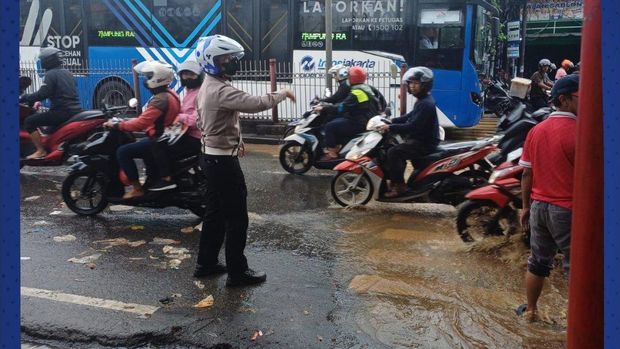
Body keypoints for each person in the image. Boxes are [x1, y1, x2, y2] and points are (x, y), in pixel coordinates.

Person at [193, 35, 295, 286]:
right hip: (221, 164)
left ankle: (205, 264)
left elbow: (210, 123)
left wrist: (235, 142)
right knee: (237, 218)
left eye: (231, 58)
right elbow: (255, 103)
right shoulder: (219, 89)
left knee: (215, 214)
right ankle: (238, 273)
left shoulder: (208, 85)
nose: (231, 62)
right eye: (225, 58)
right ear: (211, 61)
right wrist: (282, 93)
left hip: (212, 157)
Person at [516, 74, 579, 322]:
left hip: (539, 207)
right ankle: (577, 322)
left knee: (538, 263)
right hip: (567, 210)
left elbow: (526, 173)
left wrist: (525, 207)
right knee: (576, 268)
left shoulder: (536, 130)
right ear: (563, 100)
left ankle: (531, 311)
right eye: (579, 99)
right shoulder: (582, 132)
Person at [102, 61, 180, 199]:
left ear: (158, 78)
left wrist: (118, 125)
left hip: (159, 138)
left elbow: (140, 123)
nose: (146, 80)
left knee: (123, 152)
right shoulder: (170, 94)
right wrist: (125, 122)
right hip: (165, 137)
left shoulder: (160, 100)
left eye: (149, 76)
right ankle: (151, 181)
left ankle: (137, 189)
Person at [378, 66, 440, 198]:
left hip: (424, 143)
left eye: (416, 83)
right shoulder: (423, 101)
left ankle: (399, 186)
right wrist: (390, 120)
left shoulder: (425, 104)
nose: (412, 86)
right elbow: (408, 117)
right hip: (421, 139)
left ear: (425, 85)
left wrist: (390, 127)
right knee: (392, 147)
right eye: (411, 83)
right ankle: (394, 181)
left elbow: (413, 126)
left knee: (394, 152)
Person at [149, 60, 204, 191]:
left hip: (196, 137)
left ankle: (166, 179)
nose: (188, 77)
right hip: (185, 132)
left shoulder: (201, 93)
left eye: (191, 74)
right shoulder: (189, 91)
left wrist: (180, 117)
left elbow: (198, 118)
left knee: (158, 145)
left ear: (199, 75)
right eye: (185, 74)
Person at [19, 47, 82, 159]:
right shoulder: (67, 73)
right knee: (48, 132)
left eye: (42, 60)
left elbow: (42, 94)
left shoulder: (51, 74)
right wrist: (36, 100)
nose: (41, 62)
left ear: (48, 60)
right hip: (74, 110)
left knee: (29, 121)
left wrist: (24, 97)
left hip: (61, 112)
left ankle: (40, 151)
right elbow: (57, 92)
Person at [313, 66, 384, 160]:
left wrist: (323, 108)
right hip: (365, 118)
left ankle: (332, 154)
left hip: (359, 121)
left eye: (349, 76)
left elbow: (341, 107)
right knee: (338, 121)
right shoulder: (364, 88)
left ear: (352, 78)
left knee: (329, 126)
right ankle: (339, 146)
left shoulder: (357, 93)